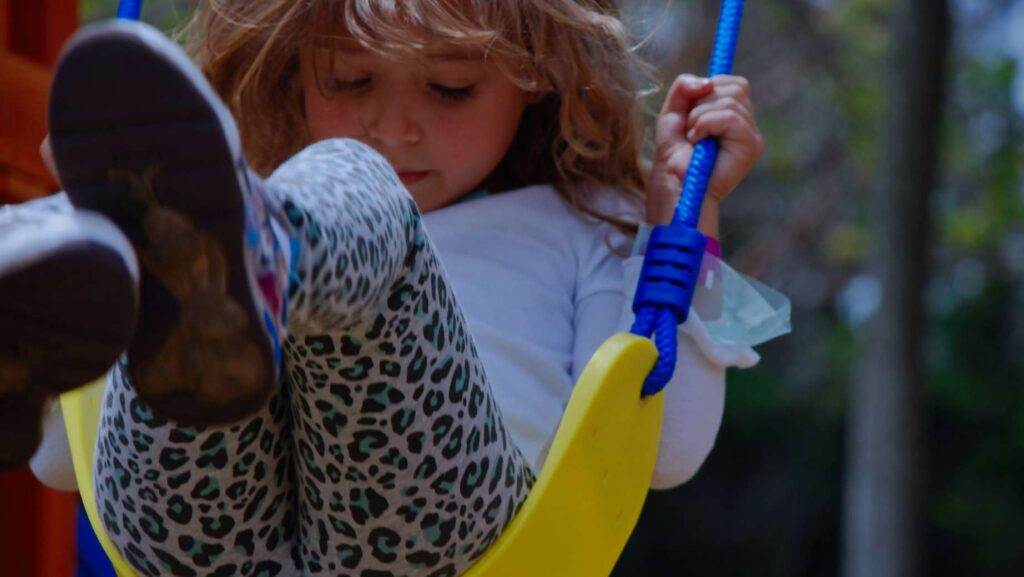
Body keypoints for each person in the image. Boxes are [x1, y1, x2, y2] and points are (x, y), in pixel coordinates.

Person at [4, 1, 784, 575]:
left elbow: (665, 447)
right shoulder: (225, 208)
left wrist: (686, 212)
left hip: (430, 533)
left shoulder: (589, 224)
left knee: (351, 181)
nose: (393, 123)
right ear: (294, 64)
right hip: (191, 543)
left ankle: (241, 263)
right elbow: (55, 460)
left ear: (538, 80)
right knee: (213, 240)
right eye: (349, 79)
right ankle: (98, 260)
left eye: (449, 89)